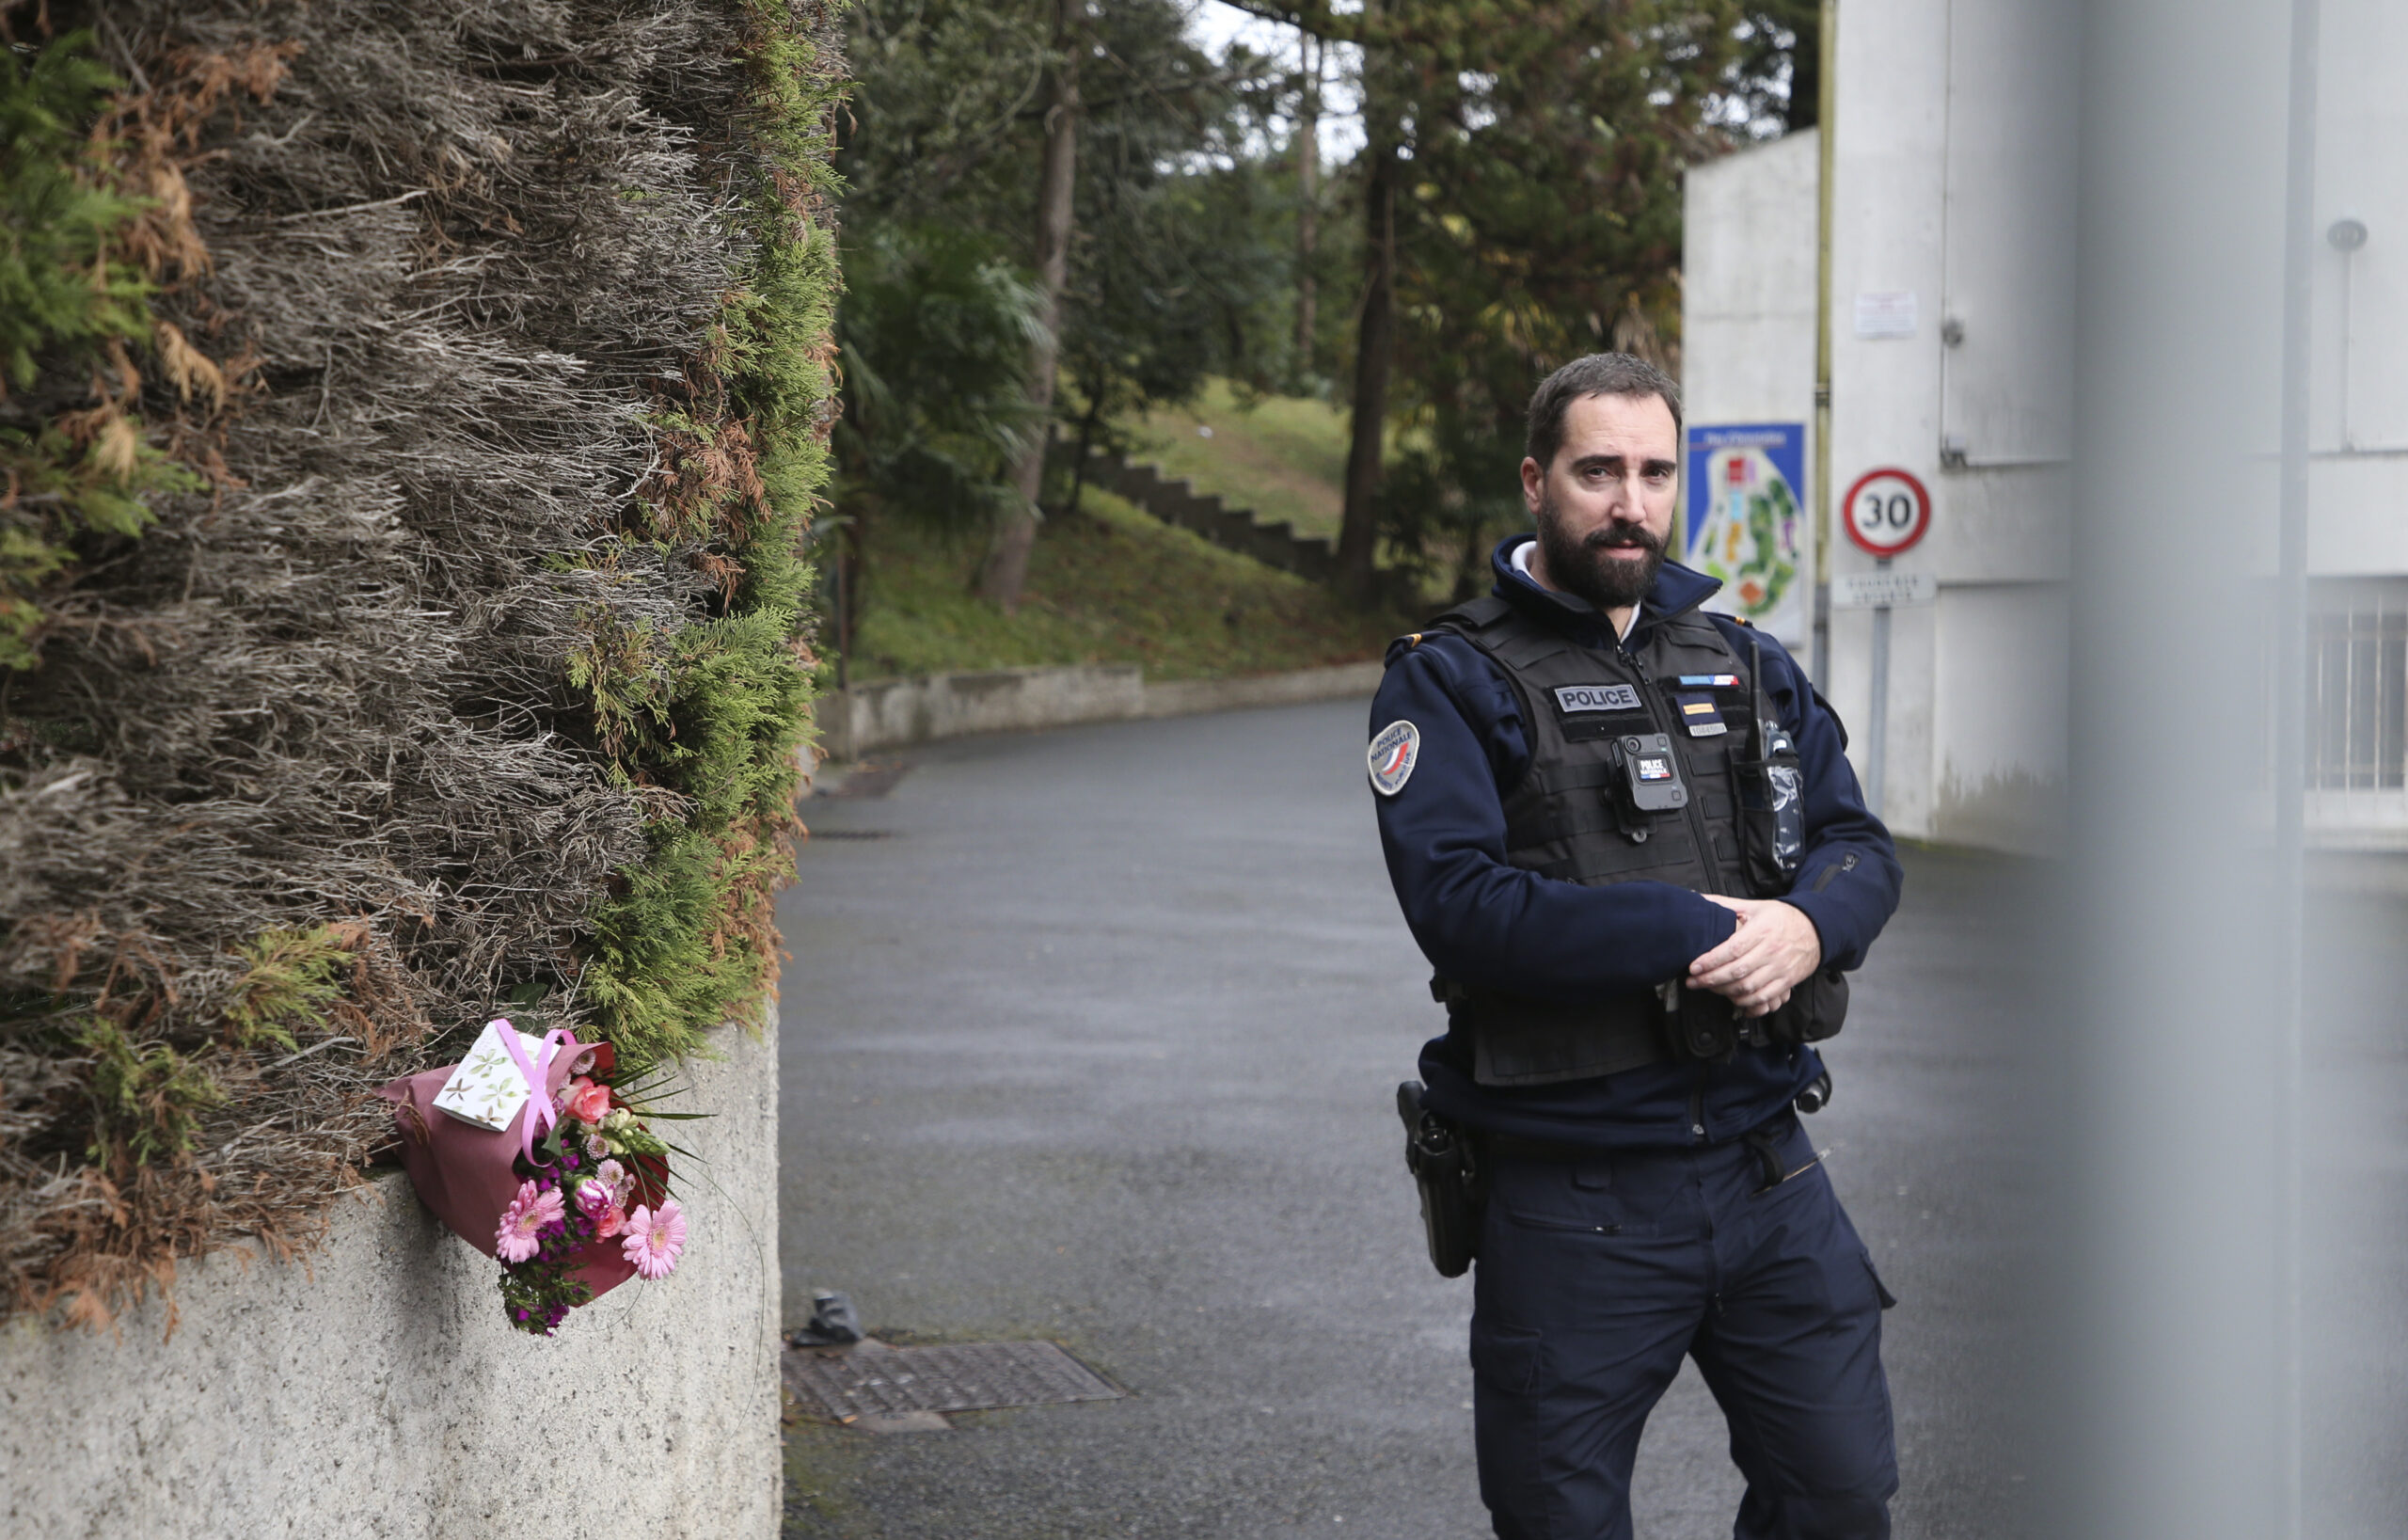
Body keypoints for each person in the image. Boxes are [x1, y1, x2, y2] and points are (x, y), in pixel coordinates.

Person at [1367, 353, 1905, 1539]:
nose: (1630, 500)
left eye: (1654, 471)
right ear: (1534, 480)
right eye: (1597, 468)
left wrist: (1810, 923)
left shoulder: (1748, 661)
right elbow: (1460, 903)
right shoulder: (1450, 680)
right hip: (1575, 1195)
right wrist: (1699, 927)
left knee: (1839, 1498)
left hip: (1768, 1170)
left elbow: (1856, 839)